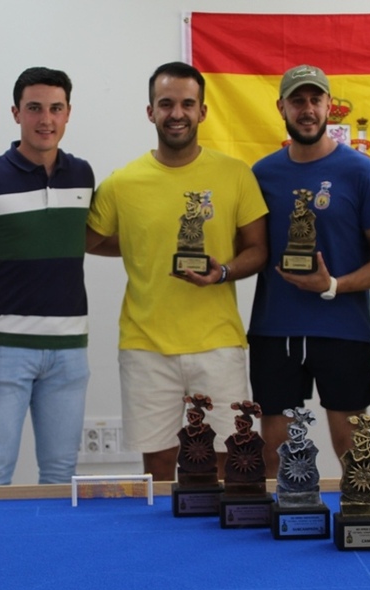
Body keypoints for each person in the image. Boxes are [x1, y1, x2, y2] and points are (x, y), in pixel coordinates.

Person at [86, 61, 268, 482]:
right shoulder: (122, 183)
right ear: (150, 111)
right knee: (160, 467)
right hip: (145, 345)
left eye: (187, 104)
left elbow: (258, 249)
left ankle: (220, 545)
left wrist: (222, 272)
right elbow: (84, 241)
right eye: (166, 103)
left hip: (218, 343)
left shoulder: (235, 174)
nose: (177, 113)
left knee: (229, 462)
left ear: (203, 111)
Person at [0, 67, 93, 486]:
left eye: (55, 109)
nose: (46, 119)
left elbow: (82, 238)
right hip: (2, 354)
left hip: (69, 354)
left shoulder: (83, 176)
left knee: (62, 476)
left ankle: (51, 555)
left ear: (68, 114)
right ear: (16, 113)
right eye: (35, 109)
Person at [247, 64, 370, 478]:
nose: (307, 109)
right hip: (276, 328)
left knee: (353, 450)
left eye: (315, 100)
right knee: (274, 454)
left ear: (331, 106)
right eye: (298, 101)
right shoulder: (262, 174)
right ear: (282, 108)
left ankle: (358, 527)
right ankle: (281, 532)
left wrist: (332, 285)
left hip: (342, 327)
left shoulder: (364, 172)